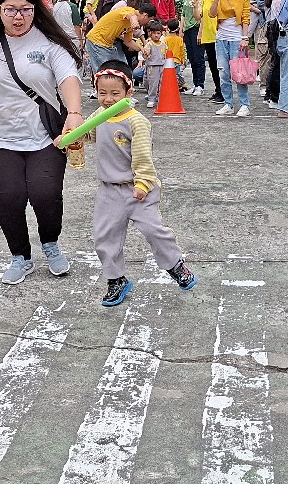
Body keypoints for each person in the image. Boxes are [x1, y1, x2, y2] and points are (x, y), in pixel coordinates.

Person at [0, 0, 84, 285]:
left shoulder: (48, 42)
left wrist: (75, 113)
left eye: (26, 9)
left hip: (45, 135)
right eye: (11, 9)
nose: (19, 17)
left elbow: (68, 77)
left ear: (36, 9)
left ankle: (50, 243)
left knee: (46, 194)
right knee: (10, 198)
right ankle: (21, 256)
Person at [74, 59, 197, 307]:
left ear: (128, 92)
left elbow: (142, 157)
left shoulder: (136, 121)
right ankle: (116, 279)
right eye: (102, 93)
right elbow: (87, 133)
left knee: (154, 230)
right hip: (109, 191)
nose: (108, 99)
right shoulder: (100, 115)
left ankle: (175, 265)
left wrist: (142, 184)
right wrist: (69, 137)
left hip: (138, 188)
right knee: (104, 237)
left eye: (115, 94)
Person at [210, 0, 253, 117]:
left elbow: (246, 17)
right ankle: (228, 103)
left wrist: (245, 38)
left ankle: (244, 104)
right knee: (223, 72)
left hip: (237, 38)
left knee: (239, 72)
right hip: (221, 38)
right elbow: (211, 14)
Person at [86, 2, 156, 74]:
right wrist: (134, 21)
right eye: (149, 20)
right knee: (104, 72)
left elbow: (128, 41)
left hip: (109, 45)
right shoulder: (129, 10)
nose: (147, 23)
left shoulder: (130, 25)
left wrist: (141, 49)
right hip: (96, 42)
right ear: (145, 16)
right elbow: (131, 16)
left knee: (123, 69)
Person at [180, 0, 208, 96]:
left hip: (197, 28)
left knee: (198, 58)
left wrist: (200, 33)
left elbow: (203, 15)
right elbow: (183, 14)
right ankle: (195, 84)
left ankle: (200, 85)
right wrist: (181, 30)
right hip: (187, 29)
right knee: (191, 58)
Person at [139, 19, 168, 108]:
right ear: (150, 33)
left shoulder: (163, 44)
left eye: (158, 33)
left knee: (162, 83)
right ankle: (151, 98)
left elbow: (166, 53)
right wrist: (145, 54)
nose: (156, 35)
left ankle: (160, 97)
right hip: (152, 66)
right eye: (154, 33)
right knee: (153, 83)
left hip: (162, 65)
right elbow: (144, 55)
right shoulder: (149, 44)